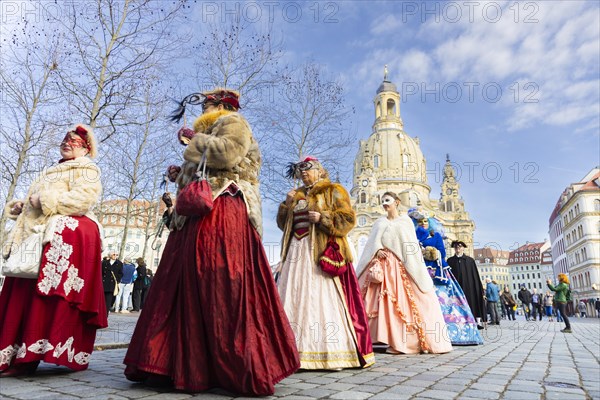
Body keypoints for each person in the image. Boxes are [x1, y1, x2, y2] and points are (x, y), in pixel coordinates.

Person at [123, 89, 299, 395]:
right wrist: (181, 175)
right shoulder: (207, 130)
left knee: (219, 282)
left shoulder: (234, 121)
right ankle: (167, 364)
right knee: (178, 286)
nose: (203, 105)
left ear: (222, 104)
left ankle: (231, 364)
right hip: (192, 215)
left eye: (208, 102)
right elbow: (199, 172)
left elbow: (228, 153)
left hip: (222, 207)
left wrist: (194, 141)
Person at [0, 124, 106, 376]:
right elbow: (36, 204)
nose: (67, 143)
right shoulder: (51, 170)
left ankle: (28, 355)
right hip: (32, 239)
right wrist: (22, 207)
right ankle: (10, 351)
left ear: (86, 148)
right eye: (65, 139)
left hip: (54, 242)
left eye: (75, 141)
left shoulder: (87, 169)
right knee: (19, 293)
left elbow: (83, 200)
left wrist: (45, 201)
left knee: (40, 297)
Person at [277, 156, 375, 368]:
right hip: (296, 252)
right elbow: (283, 225)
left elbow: (348, 219)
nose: (304, 173)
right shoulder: (296, 195)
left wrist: (322, 219)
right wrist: (286, 204)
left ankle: (332, 353)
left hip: (321, 251)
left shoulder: (334, 190)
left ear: (320, 171)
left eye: (309, 169)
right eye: (301, 170)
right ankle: (291, 352)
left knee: (321, 299)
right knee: (293, 296)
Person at [356, 193, 452, 354]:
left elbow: (410, 246)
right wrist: (377, 249)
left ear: (397, 202)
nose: (385, 204)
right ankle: (376, 338)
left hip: (398, 267)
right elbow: (372, 243)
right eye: (383, 201)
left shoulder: (405, 222)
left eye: (388, 200)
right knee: (376, 301)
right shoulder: (379, 222)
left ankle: (400, 341)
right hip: (380, 266)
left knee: (399, 302)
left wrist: (411, 265)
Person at [410, 212, 482, 345]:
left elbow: (442, 252)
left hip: (436, 270)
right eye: (421, 222)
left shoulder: (435, 235)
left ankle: (454, 331)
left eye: (426, 221)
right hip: (420, 269)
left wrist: (433, 252)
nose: (423, 224)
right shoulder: (413, 236)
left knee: (446, 301)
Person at [446, 241, 486, 329]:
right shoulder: (450, 261)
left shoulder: (470, 260)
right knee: (458, 303)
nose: (458, 249)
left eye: (459, 247)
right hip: (456, 287)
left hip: (469, 286)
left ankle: (476, 321)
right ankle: (459, 321)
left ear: (463, 248)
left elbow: (475, 275)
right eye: (456, 247)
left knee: (472, 301)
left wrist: (478, 288)